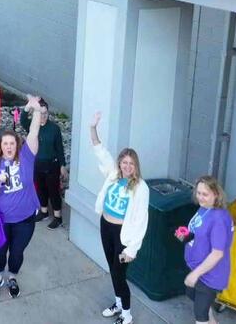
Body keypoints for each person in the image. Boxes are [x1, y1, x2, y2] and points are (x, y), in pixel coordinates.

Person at [0, 96, 44, 299]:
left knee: (17, 252)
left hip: (25, 219)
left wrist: (36, 110)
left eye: (12, 143)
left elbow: (34, 132)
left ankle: (12, 277)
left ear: (17, 145)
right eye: (5, 143)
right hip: (0, 220)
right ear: (0, 146)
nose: (9, 147)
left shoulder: (26, 157)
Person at [90, 111, 149, 324]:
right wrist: (93, 127)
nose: (127, 166)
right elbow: (100, 150)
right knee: (112, 269)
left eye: (131, 164)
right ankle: (118, 303)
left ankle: (127, 314)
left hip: (122, 235)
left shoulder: (141, 187)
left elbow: (141, 220)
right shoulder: (114, 174)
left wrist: (132, 249)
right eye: (124, 162)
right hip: (106, 226)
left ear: (136, 166)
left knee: (119, 273)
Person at [176, 176, 233, 324]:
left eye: (205, 194)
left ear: (216, 194)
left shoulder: (219, 219)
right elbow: (202, 233)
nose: (200, 197)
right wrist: (187, 236)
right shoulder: (205, 208)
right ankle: (212, 322)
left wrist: (195, 274)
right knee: (193, 295)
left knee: (200, 313)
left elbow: (217, 253)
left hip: (210, 274)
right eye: (198, 193)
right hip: (197, 266)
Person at [21, 98, 67, 229]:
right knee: (40, 189)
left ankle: (58, 217)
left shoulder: (54, 129)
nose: (43, 116)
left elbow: (59, 148)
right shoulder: (32, 126)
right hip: (37, 164)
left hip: (52, 165)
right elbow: (23, 120)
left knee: (53, 191)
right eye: (40, 113)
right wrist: (28, 106)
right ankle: (44, 211)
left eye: (45, 113)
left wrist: (62, 165)